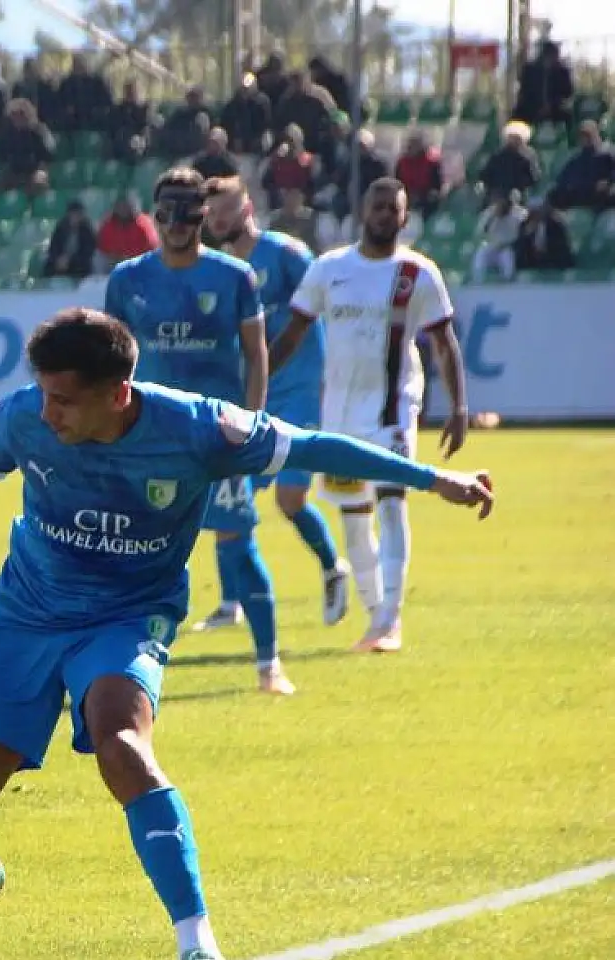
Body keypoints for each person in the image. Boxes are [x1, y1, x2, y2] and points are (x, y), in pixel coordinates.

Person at [0, 308, 496, 960]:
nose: (49, 411)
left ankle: (198, 942)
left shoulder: (199, 428)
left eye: (64, 399)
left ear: (117, 392)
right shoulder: (23, 419)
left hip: (127, 617)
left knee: (122, 743)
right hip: (24, 615)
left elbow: (312, 446)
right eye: (43, 393)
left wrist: (431, 478)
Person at [103, 168, 290, 695]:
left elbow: (256, 355)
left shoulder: (234, 278)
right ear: (154, 214)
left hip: (217, 435)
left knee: (236, 544)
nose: (177, 222)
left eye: (189, 211)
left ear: (204, 216)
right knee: (128, 556)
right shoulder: (127, 280)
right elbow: (109, 360)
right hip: (147, 438)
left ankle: (269, 663)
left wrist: (253, 425)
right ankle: (115, 668)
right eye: (167, 211)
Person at [269, 178, 470, 653]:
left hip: (393, 408)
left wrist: (459, 407)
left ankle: (389, 620)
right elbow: (294, 333)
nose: (384, 215)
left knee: (392, 505)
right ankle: (375, 610)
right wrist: (258, 384)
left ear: (405, 217)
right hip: (338, 413)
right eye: (377, 206)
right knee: (354, 519)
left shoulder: (417, 274)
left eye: (392, 209)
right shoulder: (329, 269)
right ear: (363, 211)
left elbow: (444, 342)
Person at [201, 177, 350, 628]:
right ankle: (232, 604)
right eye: (211, 215)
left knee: (289, 497)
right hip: (252, 393)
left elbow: (321, 309)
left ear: (246, 208)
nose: (216, 220)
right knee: (229, 496)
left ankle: (331, 566)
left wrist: (328, 381)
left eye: (223, 211)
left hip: (299, 388)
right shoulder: (222, 269)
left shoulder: (285, 254)